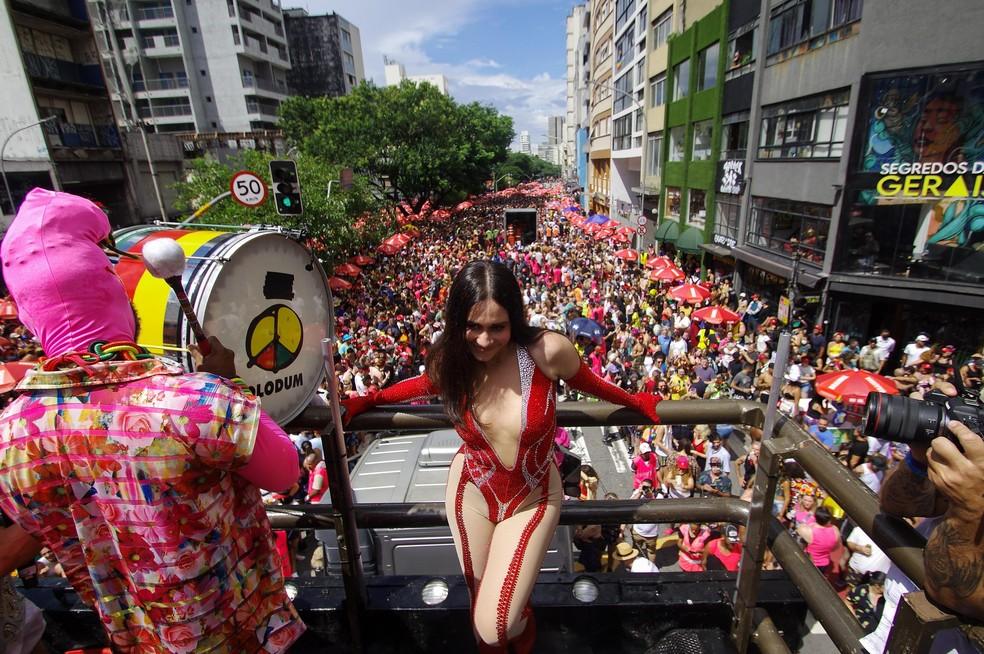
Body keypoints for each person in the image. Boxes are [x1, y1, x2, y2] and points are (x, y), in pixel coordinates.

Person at [0, 189, 305, 652]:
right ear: (112, 294)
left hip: (135, 642)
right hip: (245, 636)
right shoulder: (192, 402)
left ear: (29, 317)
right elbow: (285, 471)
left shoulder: (11, 436)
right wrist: (228, 385)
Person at [341, 260, 661, 652]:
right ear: (457, 320)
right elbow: (419, 385)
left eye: (497, 327)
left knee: (496, 624)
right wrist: (369, 400)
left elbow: (591, 382)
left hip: (534, 496)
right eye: (472, 326)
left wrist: (638, 403)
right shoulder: (451, 360)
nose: (483, 340)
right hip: (470, 490)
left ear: (515, 319)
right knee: (484, 621)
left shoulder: (547, 351)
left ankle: (521, 626)